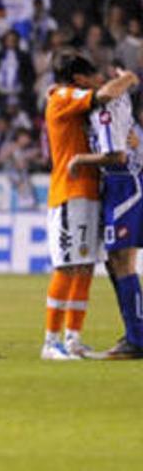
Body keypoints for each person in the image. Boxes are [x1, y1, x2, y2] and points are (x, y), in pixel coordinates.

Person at [39, 51, 137, 360]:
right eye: (92, 75)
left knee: (83, 268)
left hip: (90, 191)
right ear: (80, 79)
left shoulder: (71, 101)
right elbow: (106, 94)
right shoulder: (64, 96)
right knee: (67, 266)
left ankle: (73, 339)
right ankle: (50, 342)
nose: (97, 79)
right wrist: (130, 78)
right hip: (70, 192)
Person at [67, 65, 143, 359]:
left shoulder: (106, 108)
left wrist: (80, 160)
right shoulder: (120, 101)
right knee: (120, 264)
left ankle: (137, 339)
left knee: (121, 262)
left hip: (123, 186)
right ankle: (135, 334)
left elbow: (117, 156)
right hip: (124, 185)